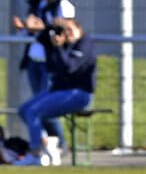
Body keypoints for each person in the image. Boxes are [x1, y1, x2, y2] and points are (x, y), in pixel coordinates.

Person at [11, 0, 77, 162]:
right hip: (35, 61)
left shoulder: (61, 5)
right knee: (34, 108)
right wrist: (24, 27)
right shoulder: (35, 5)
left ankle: (58, 145)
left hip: (52, 63)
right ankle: (46, 146)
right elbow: (33, 33)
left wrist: (43, 27)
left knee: (45, 107)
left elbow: (66, 30)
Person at [15, 17, 96, 166]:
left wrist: (58, 48)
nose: (68, 33)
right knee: (23, 110)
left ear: (79, 29)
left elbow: (70, 67)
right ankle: (49, 146)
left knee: (34, 111)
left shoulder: (84, 43)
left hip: (79, 94)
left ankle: (36, 154)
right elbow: (43, 40)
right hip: (58, 91)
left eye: (71, 29)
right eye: (65, 30)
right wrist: (43, 28)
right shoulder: (64, 43)